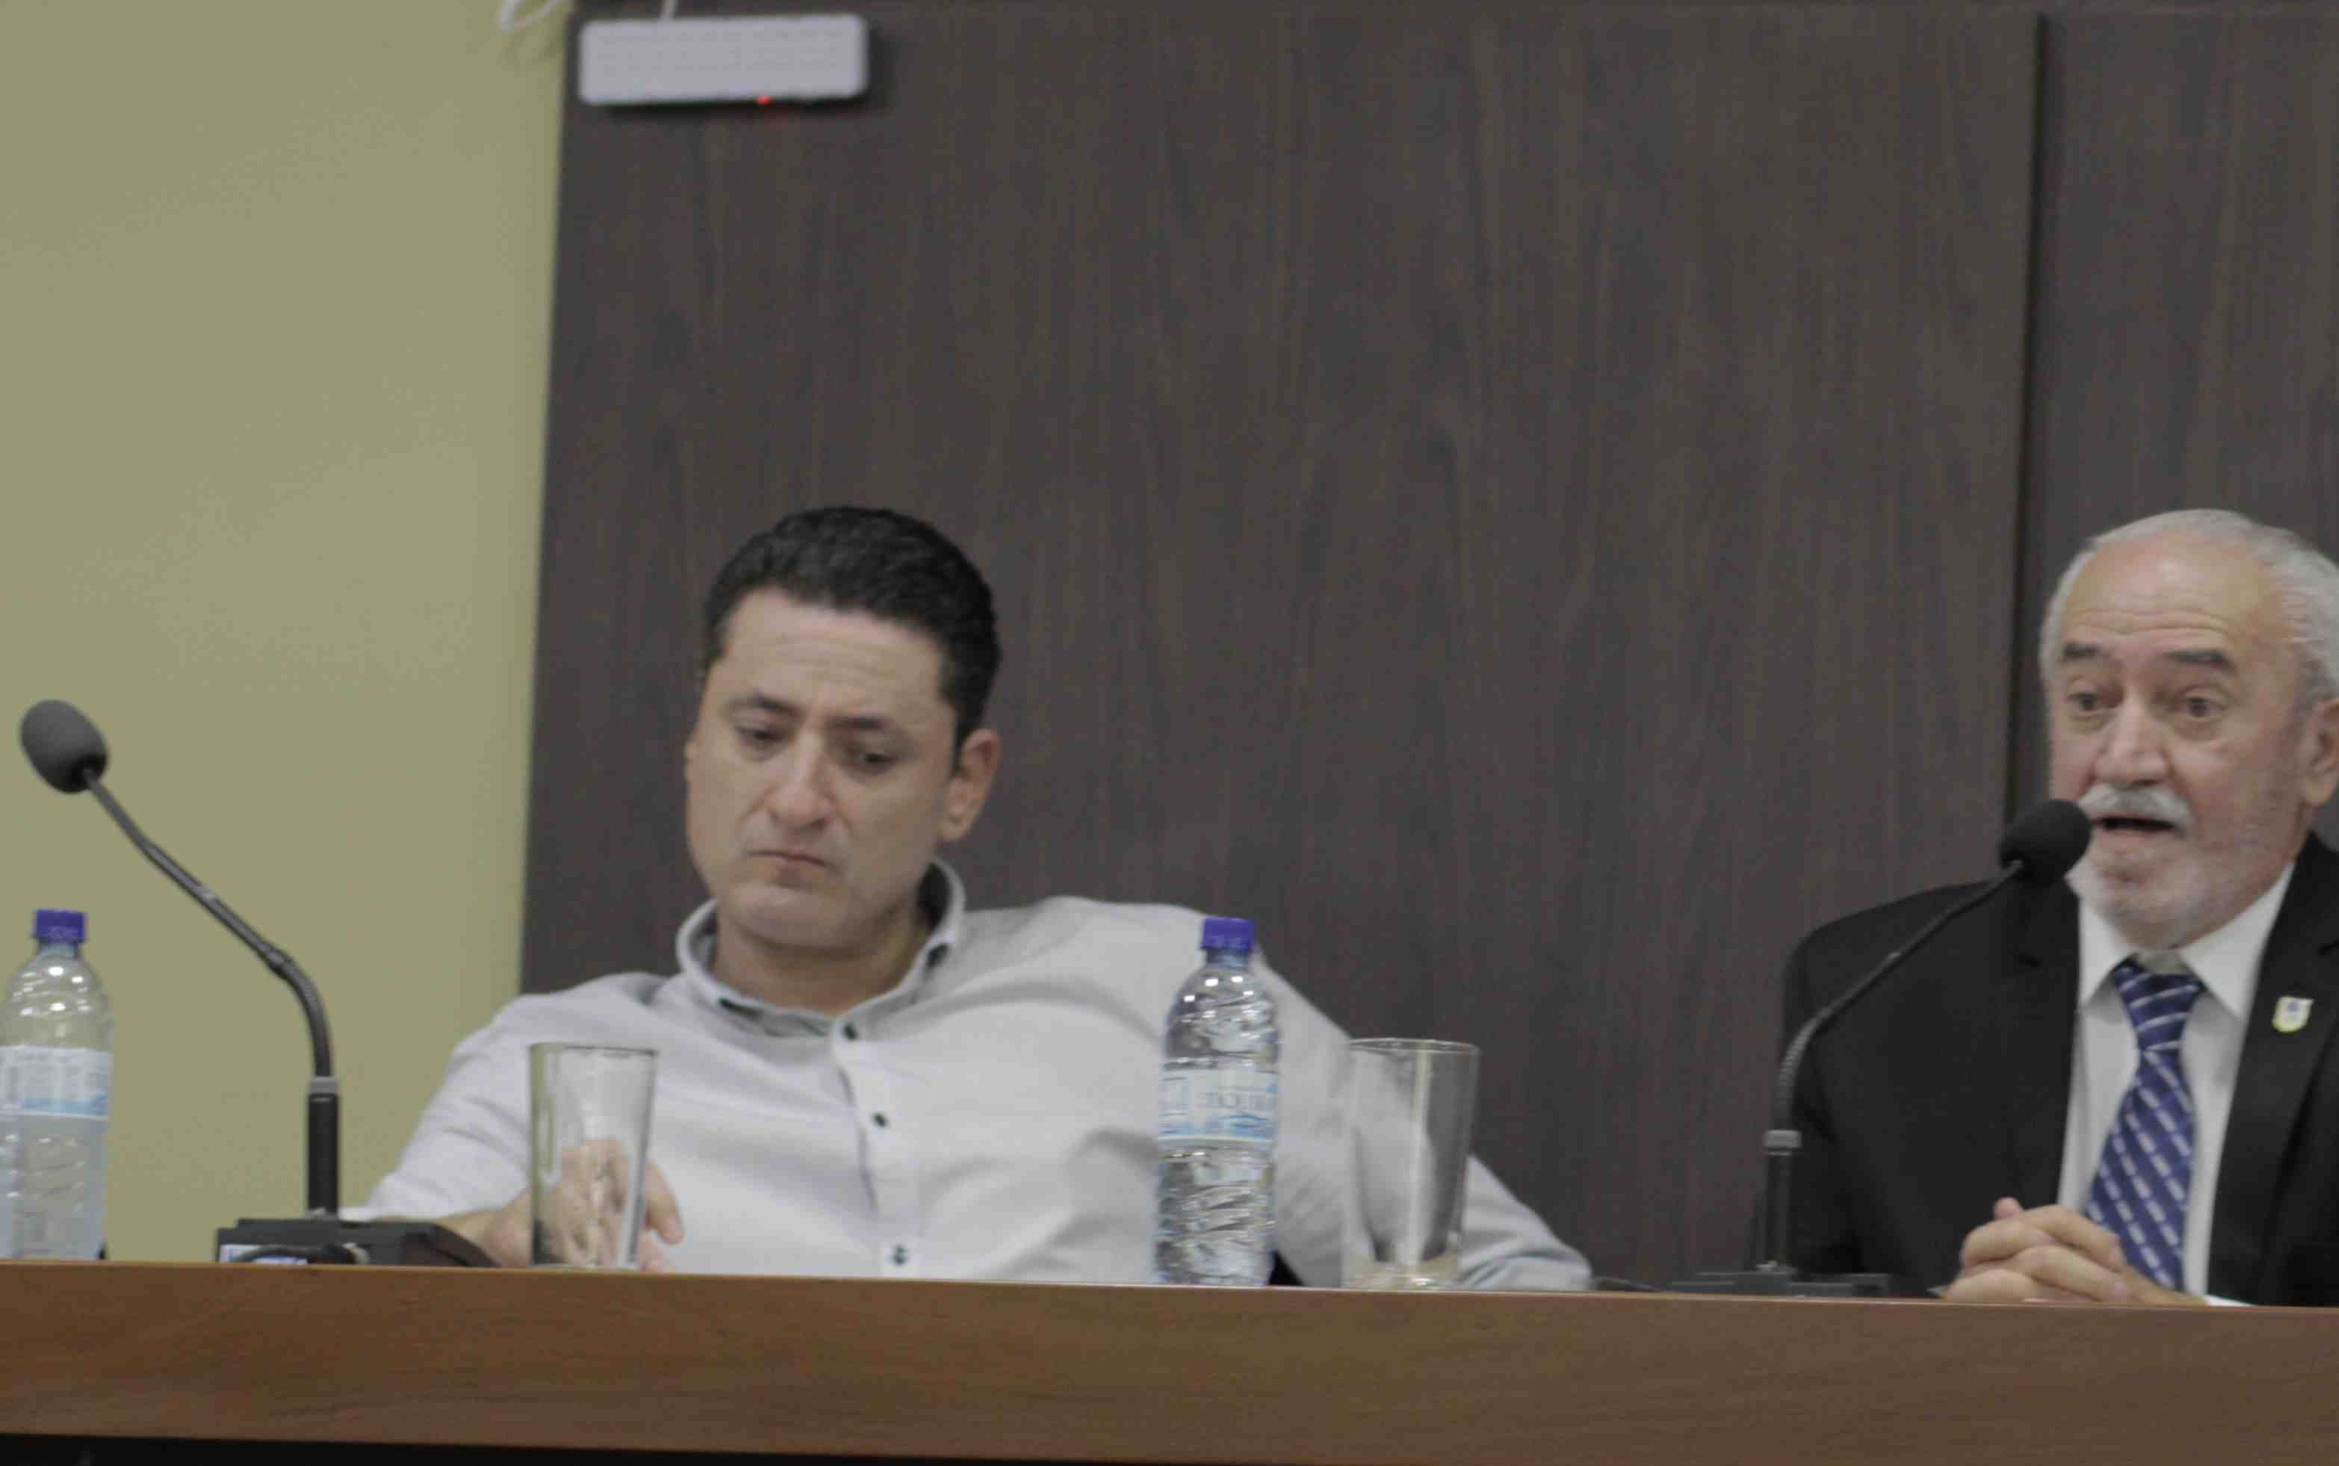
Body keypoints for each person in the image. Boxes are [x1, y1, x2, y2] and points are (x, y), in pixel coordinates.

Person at [365, 508, 1585, 1286]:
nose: (796, 798)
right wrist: (483, 1241)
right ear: (694, 741)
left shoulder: (1161, 990)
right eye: (758, 734)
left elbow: (1505, 1286)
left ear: (964, 783)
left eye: (867, 755)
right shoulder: (556, 1060)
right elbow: (321, 1302)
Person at [1774, 508, 2339, 1308]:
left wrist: (2182, 1345)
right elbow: (1790, 1345)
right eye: (2089, 699)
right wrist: (1949, 1349)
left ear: (2320, 748)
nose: (2125, 757)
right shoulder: (1873, 993)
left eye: (2194, 705)